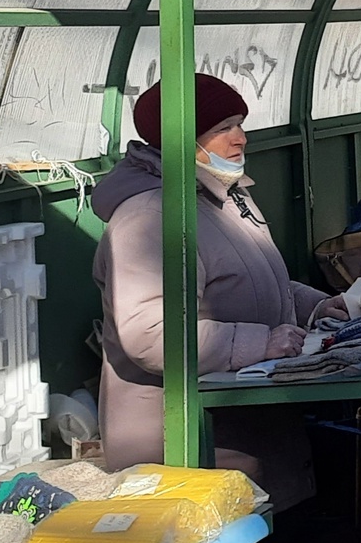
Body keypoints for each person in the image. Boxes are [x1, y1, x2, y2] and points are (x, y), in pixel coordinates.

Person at [89, 74, 328, 507]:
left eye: (239, 123)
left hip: (241, 423)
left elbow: (256, 282)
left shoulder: (223, 195)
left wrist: (318, 306)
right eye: (222, 129)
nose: (240, 138)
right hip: (179, 435)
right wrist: (263, 342)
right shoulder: (151, 216)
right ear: (182, 141)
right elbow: (151, 333)